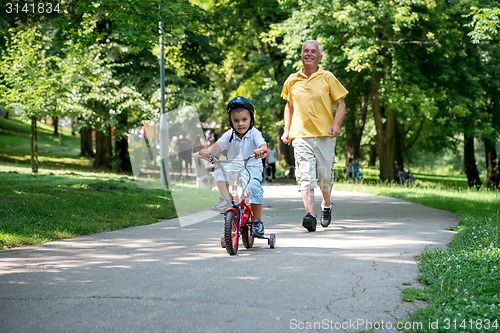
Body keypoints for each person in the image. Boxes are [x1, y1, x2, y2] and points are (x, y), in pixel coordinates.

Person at [280, 40, 348, 232]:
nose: (308, 54)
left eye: (313, 51)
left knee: (325, 178)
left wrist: (336, 125)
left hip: (325, 136)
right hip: (301, 136)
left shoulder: (327, 77)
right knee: (305, 177)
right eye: (305, 51)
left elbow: (341, 103)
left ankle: (326, 205)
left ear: (320, 57)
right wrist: (287, 130)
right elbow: (289, 106)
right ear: (301, 55)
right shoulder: (292, 80)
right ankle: (309, 215)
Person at [199, 96, 268, 237]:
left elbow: (263, 145)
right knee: (219, 168)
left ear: (251, 119)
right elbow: (218, 145)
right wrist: (208, 151)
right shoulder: (229, 135)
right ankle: (225, 200)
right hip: (235, 166)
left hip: (251, 166)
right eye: (236, 120)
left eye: (244, 120)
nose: (240, 124)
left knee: (255, 189)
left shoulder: (254, 133)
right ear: (231, 121)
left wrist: (261, 150)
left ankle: (257, 222)